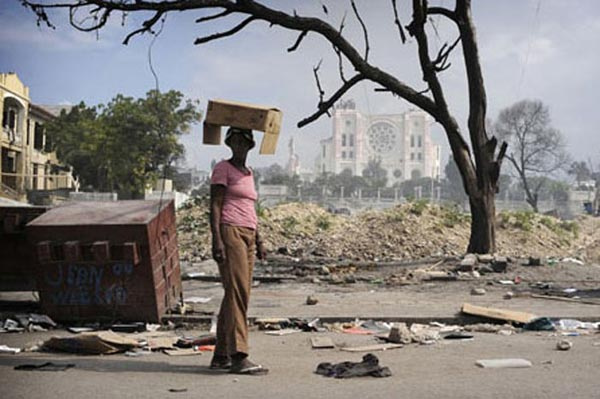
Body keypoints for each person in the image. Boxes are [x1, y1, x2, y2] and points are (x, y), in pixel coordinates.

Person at [209, 127, 268, 375]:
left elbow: (250, 208)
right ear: (229, 143)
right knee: (237, 293)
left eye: (243, 142)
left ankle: (221, 355)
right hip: (230, 231)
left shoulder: (248, 173)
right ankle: (239, 355)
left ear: (250, 145)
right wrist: (217, 240)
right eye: (234, 141)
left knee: (233, 295)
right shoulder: (223, 168)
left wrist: (260, 239)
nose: (239, 146)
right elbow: (214, 205)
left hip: (249, 234)